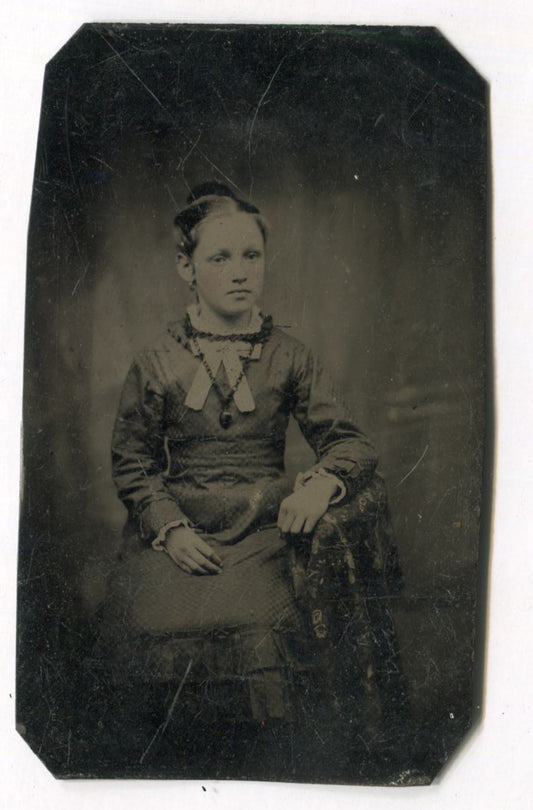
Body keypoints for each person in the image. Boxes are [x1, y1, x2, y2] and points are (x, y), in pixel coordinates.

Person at [92, 182, 403, 781]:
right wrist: (169, 529)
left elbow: (350, 441)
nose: (240, 273)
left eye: (251, 256)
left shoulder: (289, 356)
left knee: (261, 631)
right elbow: (132, 463)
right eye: (219, 258)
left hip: (263, 531)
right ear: (186, 267)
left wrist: (316, 487)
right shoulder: (157, 359)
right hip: (180, 535)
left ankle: (267, 780)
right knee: (140, 629)